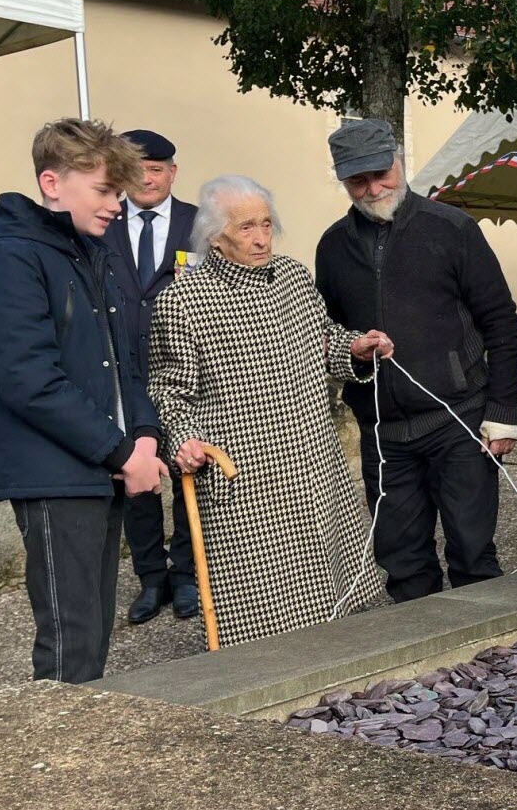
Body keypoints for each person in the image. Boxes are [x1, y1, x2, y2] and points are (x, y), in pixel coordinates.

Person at [147, 175, 393, 646]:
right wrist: (183, 441)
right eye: (245, 228)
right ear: (215, 236)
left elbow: (323, 342)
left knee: (335, 596)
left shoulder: (295, 279)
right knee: (261, 618)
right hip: (246, 484)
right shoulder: (182, 301)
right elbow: (169, 392)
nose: (261, 239)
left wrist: (356, 349)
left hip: (313, 464)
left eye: (266, 224)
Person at [0, 119, 168, 683]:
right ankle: (51, 767)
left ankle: (84, 760)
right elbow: (29, 380)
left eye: (120, 194)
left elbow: (123, 363)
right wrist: (120, 452)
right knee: (69, 642)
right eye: (105, 190)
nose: (115, 206)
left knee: (92, 631)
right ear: (52, 183)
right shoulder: (10, 259)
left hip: (97, 466)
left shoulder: (87, 253)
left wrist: (145, 434)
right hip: (54, 472)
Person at [315, 119, 517, 603]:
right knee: (402, 561)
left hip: (460, 420)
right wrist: (353, 347)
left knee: (473, 554)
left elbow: (503, 323)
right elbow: (328, 332)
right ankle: (422, 669)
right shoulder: (332, 247)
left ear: (398, 159)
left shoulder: (452, 229)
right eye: (357, 180)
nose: (373, 188)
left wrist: (503, 413)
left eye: (380, 173)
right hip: (384, 431)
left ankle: (487, 662)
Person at [102, 129, 199, 625]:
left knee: (186, 474)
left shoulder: (199, 223)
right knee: (135, 480)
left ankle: (186, 575)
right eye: (136, 169)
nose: (146, 178)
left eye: (156, 169)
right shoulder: (102, 222)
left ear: (172, 173)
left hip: (183, 369)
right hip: (122, 373)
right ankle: (150, 578)